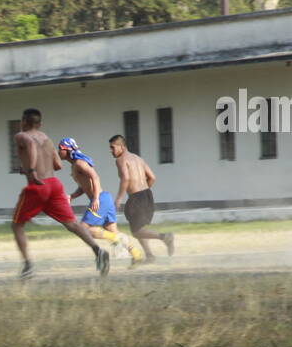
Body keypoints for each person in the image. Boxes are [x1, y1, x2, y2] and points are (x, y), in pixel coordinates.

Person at [11, 109, 109, 279]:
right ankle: (98, 250)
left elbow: (31, 145)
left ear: (24, 122)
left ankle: (27, 265)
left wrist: (32, 170)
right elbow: (58, 165)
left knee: (17, 225)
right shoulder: (47, 139)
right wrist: (30, 168)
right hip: (54, 185)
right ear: (40, 124)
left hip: (38, 186)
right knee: (72, 224)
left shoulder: (22, 135)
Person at [58, 137, 143, 265]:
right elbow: (85, 186)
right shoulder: (75, 165)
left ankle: (116, 239)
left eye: (60, 149)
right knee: (113, 231)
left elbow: (95, 177)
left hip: (101, 199)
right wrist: (72, 196)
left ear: (67, 149)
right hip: (105, 198)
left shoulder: (79, 163)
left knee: (83, 229)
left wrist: (96, 198)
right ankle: (136, 255)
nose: (58, 151)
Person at [110, 134, 174, 261]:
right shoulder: (138, 158)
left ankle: (165, 237)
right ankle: (149, 255)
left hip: (136, 197)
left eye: (113, 147)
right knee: (137, 228)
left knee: (137, 231)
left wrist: (119, 198)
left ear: (121, 147)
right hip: (147, 195)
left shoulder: (121, 160)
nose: (111, 151)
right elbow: (152, 177)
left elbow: (126, 178)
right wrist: (143, 191)